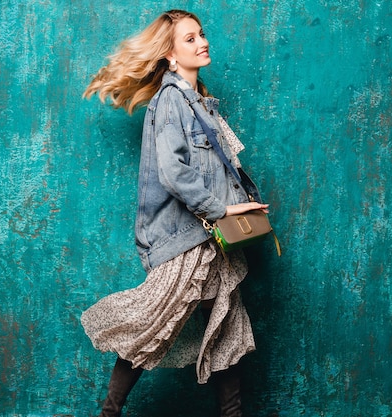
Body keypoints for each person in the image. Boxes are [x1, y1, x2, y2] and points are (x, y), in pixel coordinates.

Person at [81, 9, 269, 417]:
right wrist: (224, 208)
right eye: (189, 39)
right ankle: (108, 413)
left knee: (225, 329)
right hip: (185, 239)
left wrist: (243, 203)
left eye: (201, 35)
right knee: (152, 325)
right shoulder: (171, 101)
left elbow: (221, 166)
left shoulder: (200, 102)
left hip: (214, 240)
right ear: (168, 54)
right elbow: (174, 173)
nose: (202, 43)